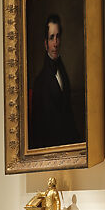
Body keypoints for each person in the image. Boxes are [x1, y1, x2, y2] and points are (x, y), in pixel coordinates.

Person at [27, 14, 79, 149]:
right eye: (51, 38)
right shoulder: (40, 82)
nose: (55, 43)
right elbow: (39, 128)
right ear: (45, 43)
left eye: (57, 37)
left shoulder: (63, 73)